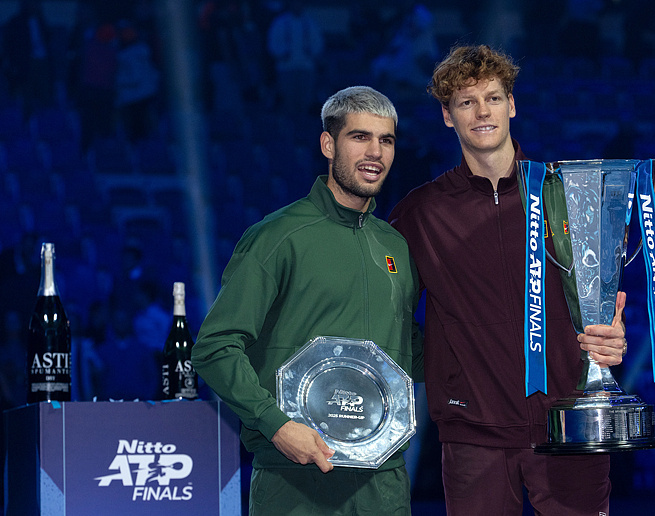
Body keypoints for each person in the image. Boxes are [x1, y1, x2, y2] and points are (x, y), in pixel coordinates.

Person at [388, 45, 627, 515]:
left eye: (493, 98)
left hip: (569, 425)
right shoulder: (422, 212)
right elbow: (385, 308)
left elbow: (598, 301)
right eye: (466, 102)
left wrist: (609, 337)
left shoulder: (566, 193)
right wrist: (440, 366)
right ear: (447, 116)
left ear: (511, 105)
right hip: (473, 435)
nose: (482, 112)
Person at [192, 86, 422, 515]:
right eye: (360, 137)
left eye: (386, 140)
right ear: (328, 144)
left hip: (383, 484)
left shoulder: (396, 246)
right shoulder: (278, 236)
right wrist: (276, 425)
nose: (375, 152)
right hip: (296, 481)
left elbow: (410, 352)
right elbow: (215, 347)